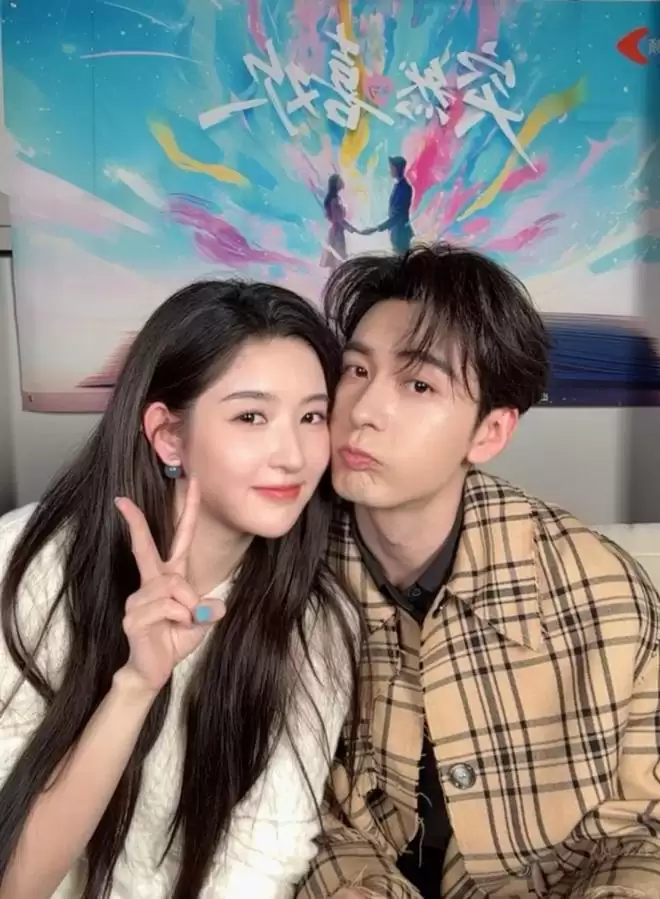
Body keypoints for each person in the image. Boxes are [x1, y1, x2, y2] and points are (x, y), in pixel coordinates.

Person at [296, 243, 660, 899]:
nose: (364, 409)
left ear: (489, 433)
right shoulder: (287, 578)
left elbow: (642, 830)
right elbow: (293, 819)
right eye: (356, 369)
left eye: (419, 384)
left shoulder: (602, 590)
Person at [0, 280, 362, 899]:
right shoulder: (29, 563)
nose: (294, 456)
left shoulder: (315, 620)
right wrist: (136, 686)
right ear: (169, 436)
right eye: (251, 417)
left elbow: (259, 862)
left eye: (312, 417)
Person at [362, 156, 414, 254]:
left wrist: (376, 228)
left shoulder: (404, 188)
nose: (389, 170)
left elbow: (397, 216)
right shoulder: (399, 186)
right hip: (396, 233)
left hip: (401, 235)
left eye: (391, 168)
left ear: (397, 169)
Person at [320, 174, 358, 272]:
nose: (342, 182)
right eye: (339, 180)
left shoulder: (336, 198)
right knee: (339, 260)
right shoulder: (334, 200)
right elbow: (338, 219)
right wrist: (351, 228)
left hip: (337, 231)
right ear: (335, 184)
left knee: (337, 261)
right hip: (337, 233)